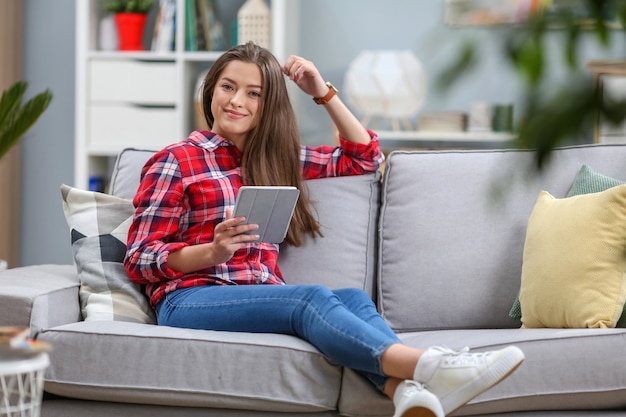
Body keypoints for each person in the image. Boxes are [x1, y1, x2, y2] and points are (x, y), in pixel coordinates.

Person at [124, 42, 524, 417]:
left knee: (350, 297)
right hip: (190, 300)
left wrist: (323, 93)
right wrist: (211, 252)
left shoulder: (278, 159)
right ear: (211, 89)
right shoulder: (176, 161)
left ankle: (405, 392)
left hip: (258, 294)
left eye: (253, 93)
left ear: (268, 105)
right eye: (228, 87)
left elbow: (363, 159)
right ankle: (432, 366)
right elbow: (140, 258)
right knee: (310, 298)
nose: (236, 101)